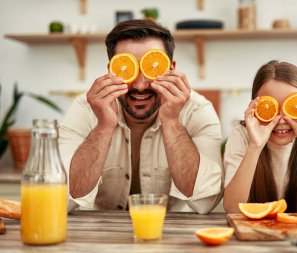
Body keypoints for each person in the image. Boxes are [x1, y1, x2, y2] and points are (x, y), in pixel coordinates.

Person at [58, 19, 223, 214]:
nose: (140, 85)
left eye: (150, 68)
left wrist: (171, 121)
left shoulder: (198, 110)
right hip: (97, 235)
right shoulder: (85, 109)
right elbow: (62, 198)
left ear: (171, 69)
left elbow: (206, 201)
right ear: (112, 70)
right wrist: (103, 126)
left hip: (173, 235)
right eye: (128, 69)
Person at [223, 60, 297, 213]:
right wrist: (255, 146)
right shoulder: (242, 135)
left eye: (292, 107)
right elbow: (233, 209)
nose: (280, 120)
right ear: (254, 107)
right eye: (270, 107)